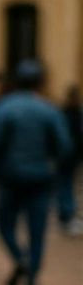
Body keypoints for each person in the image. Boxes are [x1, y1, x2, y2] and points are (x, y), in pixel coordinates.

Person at [0, 60, 73, 285]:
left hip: (12, 176)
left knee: (5, 223)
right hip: (40, 177)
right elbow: (64, 146)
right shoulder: (48, 109)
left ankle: (20, 258)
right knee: (37, 229)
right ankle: (32, 274)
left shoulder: (6, 107)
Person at [57, 85, 82, 236]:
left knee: (68, 185)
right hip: (67, 156)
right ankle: (66, 215)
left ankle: (68, 214)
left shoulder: (70, 113)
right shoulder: (66, 113)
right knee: (66, 185)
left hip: (71, 155)